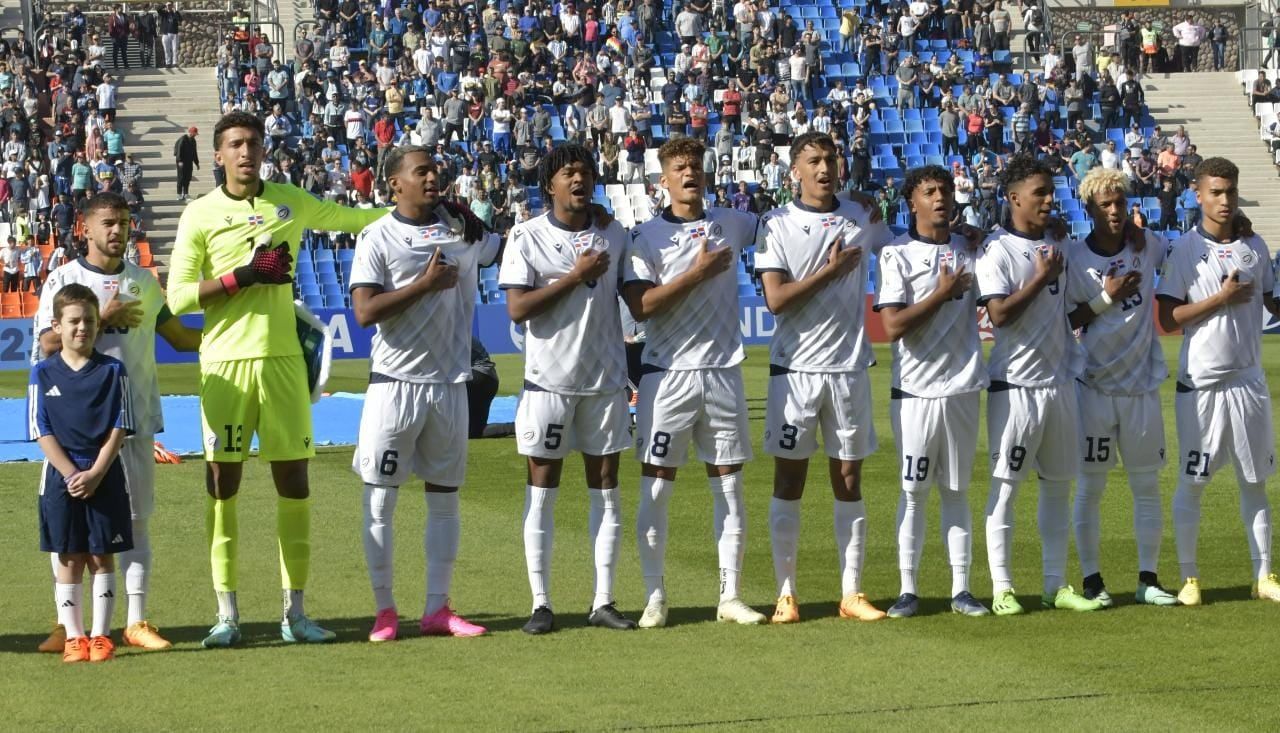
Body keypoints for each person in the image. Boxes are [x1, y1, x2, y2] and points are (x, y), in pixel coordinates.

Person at [167, 111, 480, 649]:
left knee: (295, 487)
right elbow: (177, 298)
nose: (247, 152)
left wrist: (434, 209)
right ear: (217, 155)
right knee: (224, 489)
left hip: (286, 362)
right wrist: (243, 276)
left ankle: (296, 613)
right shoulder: (199, 214)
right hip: (224, 366)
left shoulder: (288, 199)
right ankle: (228, 614)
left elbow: (350, 220)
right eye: (236, 145)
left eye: (255, 143)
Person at [34, 192, 202, 654]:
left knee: (135, 521)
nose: (118, 231)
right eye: (108, 222)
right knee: (66, 527)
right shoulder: (63, 278)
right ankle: (67, 625)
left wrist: (238, 328)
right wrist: (101, 319)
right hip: (72, 427)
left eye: (125, 222)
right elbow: (47, 345)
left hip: (132, 419)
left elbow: (180, 336)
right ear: (85, 228)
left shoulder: (144, 282)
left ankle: (135, 621)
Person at [348, 146, 496, 643]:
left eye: (436, 169)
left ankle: (438, 608)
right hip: (395, 386)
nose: (433, 176)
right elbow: (365, 312)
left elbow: (514, 247)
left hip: (450, 385)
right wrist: (426, 284)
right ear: (395, 185)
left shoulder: (462, 231)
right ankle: (384, 610)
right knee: (379, 503)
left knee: (445, 500)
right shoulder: (377, 236)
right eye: (421, 171)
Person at [622, 137, 768, 628]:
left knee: (729, 490)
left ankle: (730, 596)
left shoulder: (732, 221)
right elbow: (641, 306)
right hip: (668, 375)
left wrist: (860, 206)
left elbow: (790, 224)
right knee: (657, 489)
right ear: (662, 180)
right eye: (680, 167)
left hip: (723, 373)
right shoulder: (645, 237)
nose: (690, 173)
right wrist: (698, 271)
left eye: (696, 166)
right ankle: (654, 595)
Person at [755, 132, 893, 625]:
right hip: (795, 371)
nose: (823, 168)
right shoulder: (776, 224)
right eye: (812, 160)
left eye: (830, 159)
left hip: (849, 370)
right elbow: (775, 300)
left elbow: (905, 247)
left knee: (849, 479)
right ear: (795, 170)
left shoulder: (863, 217)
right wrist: (831, 272)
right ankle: (785, 594)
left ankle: (851, 592)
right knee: (789, 479)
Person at [499, 143, 637, 635]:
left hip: (604, 385)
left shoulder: (613, 233)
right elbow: (517, 309)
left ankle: (604, 599)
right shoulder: (526, 236)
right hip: (547, 385)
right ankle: (541, 602)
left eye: (585, 172)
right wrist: (575, 277)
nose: (579, 179)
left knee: (608, 493)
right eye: (568, 173)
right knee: (542, 495)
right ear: (550, 185)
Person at [976, 155, 1103, 616]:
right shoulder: (996, 250)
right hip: (1015, 387)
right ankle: (1002, 587)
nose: (1050, 200)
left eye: (1051, 191)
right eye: (1040, 193)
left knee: (1057, 487)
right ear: (1013, 199)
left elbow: (1068, 311)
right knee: (1006, 488)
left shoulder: (1057, 244)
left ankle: (1055, 584)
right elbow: (1000, 315)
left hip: (1058, 384)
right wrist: (1041, 278)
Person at [1155, 157, 1280, 606]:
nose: (1224, 200)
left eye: (1230, 191)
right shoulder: (1185, 250)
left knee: (1255, 481)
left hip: (1248, 381)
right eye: (1216, 192)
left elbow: (1270, 302)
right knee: (1193, 482)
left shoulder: (1255, 246)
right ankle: (1190, 578)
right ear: (1197, 193)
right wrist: (1221, 298)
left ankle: (1264, 575)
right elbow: (1169, 318)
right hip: (1202, 384)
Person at [874, 165, 991, 618]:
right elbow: (892, 327)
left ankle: (962, 588)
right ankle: (908, 589)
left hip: (962, 388)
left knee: (957, 490)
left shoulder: (971, 247)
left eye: (944, 190)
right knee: (914, 490)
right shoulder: (896, 255)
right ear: (912, 202)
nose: (940, 198)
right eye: (929, 192)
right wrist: (941, 294)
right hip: (916, 392)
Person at [1064, 167, 1178, 608]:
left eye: (1120, 203)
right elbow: (1069, 321)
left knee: (1146, 487)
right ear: (1089, 208)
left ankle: (1148, 579)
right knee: (1090, 488)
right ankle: (1093, 582)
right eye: (1104, 205)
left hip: (1141, 389)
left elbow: (1190, 247)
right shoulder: (1075, 257)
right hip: (1093, 388)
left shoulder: (1148, 245)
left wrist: (1238, 225)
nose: (1114, 211)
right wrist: (1106, 297)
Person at [28, 283, 133, 663]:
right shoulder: (42, 373)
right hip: (60, 477)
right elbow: (40, 429)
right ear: (57, 325)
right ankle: (74, 637)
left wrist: (97, 471)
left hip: (104, 474)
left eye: (89, 320)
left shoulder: (113, 371)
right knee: (70, 556)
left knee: (102, 555)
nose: (81, 328)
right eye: (73, 321)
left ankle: (102, 636)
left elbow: (121, 424)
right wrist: (73, 473)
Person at [174, 126, 199, 200]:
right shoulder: (183, 139)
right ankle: (179, 194)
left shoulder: (193, 141)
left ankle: (185, 193)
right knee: (181, 177)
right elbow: (179, 150)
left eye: (196, 134)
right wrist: (179, 161)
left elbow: (194, 153)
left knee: (188, 178)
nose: (195, 135)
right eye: (194, 133)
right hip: (182, 162)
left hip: (189, 162)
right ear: (191, 132)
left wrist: (197, 163)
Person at [158, 1, 181, 68]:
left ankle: (174, 63)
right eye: (168, 5)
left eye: (170, 5)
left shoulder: (175, 13)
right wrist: (164, 6)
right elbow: (158, 9)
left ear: (172, 5)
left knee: (174, 49)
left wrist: (175, 11)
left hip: (174, 33)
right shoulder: (164, 13)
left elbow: (180, 19)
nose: (169, 6)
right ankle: (168, 63)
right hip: (166, 33)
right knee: (166, 49)